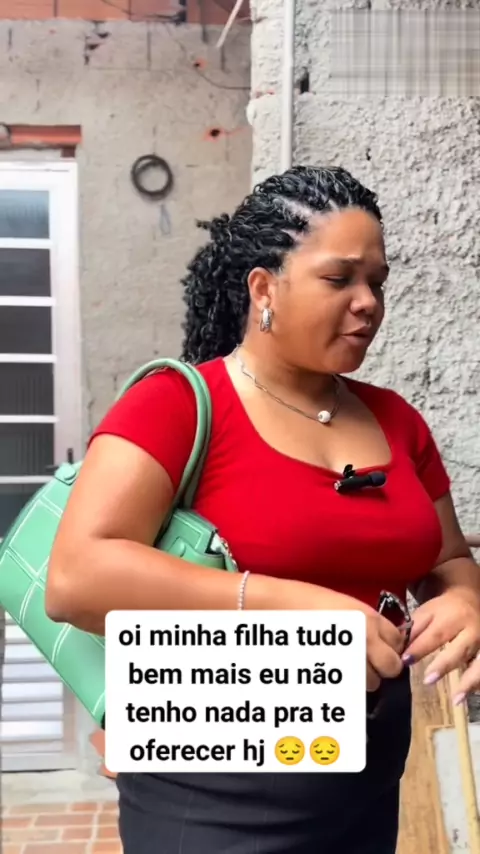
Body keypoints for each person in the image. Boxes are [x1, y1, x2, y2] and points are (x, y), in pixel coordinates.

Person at [46, 165, 480, 854]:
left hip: (365, 781)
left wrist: (464, 600)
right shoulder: (177, 406)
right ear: (263, 289)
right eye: (339, 279)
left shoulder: (397, 421)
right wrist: (292, 607)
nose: (368, 303)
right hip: (214, 786)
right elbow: (75, 579)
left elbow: (448, 557)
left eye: (378, 282)